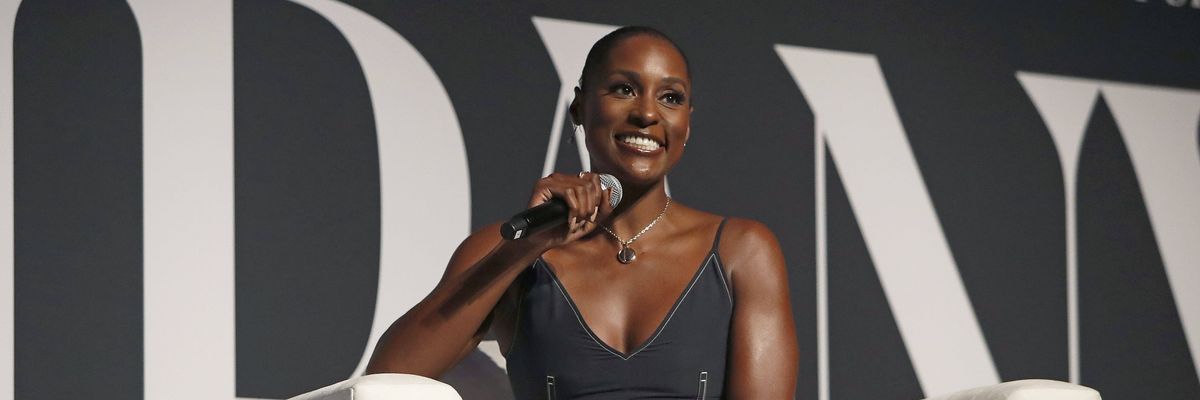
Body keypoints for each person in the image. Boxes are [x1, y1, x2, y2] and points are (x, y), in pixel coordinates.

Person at [366, 26, 798, 399]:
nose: (647, 113)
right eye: (623, 89)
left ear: (687, 121)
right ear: (579, 106)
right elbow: (388, 378)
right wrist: (527, 248)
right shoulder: (511, 248)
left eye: (670, 97)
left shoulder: (743, 251)